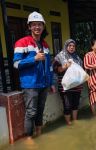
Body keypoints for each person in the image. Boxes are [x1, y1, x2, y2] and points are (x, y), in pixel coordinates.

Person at [13, 11, 56, 139]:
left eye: (40, 24)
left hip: (44, 84)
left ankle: (39, 133)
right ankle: (29, 138)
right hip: (30, 84)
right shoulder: (22, 42)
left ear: (43, 27)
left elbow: (49, 67)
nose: (37, 27)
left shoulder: (45, 45)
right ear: (29, 26)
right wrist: (34, 59)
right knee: (31, 112)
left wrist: (52, 83)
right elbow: (16, 64)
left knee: (40, 110)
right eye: (34, 24)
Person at [53, 39, 83, 125]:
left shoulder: (77, 58)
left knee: (75, 104)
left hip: (76, 85)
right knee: (67, 105)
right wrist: (65, 66)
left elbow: (81, 70)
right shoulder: (59, 57)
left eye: (73, 46)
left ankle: (75, 120)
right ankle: (69, 123)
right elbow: (56, 70)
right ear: (66, 46)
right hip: (65, 86)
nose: (72, 47)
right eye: (70, 46)